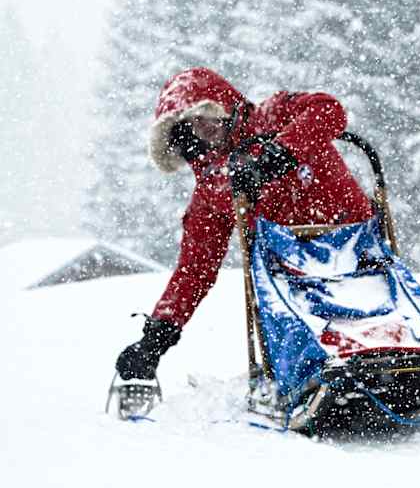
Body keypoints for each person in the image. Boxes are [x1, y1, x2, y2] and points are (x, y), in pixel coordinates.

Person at [110, 67, 375, 415]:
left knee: (379, 305)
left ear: (224, 105)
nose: (203, 127)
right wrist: (156, 338)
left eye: (206, 114)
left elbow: (330, 111)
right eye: (191, 125)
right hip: (288, 272)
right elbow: (194, 270)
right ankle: (317, 377)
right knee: (292, 316)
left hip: (356, 242)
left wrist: (278, 154)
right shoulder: (214, 190)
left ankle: (404, 359)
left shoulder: (273, 115)